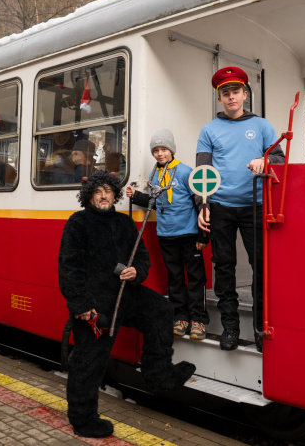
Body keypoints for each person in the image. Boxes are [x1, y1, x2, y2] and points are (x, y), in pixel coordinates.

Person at [58, 171, 195, 438]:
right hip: (96, 305)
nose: (104, 195)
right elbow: (69, 268)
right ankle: (83, 419)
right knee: (89, 363)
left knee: (161, 310)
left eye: (108, 191)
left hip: (125, 294)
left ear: (115, 194)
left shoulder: (124, 223)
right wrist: (82, 306)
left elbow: (142, 256)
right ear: (89, 196)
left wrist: (136, 272)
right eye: (98, 192)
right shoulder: (78, 223)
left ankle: (160, 375)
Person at [196, 66, 284, 352]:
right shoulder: (209, 130)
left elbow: (281, 161)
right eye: (225, 93)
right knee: (223, 268)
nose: (231, 97)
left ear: (245, 94)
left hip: (256, 207)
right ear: (219, 98)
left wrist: (265, 161)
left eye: (235, 91)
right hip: (220, 206)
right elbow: (202, 172)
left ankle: (260, 329)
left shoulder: (262, 126)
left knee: (262, 268)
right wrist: (203, 204)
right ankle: (230, 328)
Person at [126, 129, 209, 340]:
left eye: (163, 149)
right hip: (166, 234)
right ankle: (180, 317)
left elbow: (200, 203)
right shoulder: (154, 174)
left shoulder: (185, 171)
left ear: (171, 150)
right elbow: (156, 203)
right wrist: (136, 196)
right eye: (156, 150)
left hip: (189, 234)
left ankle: (198, 320)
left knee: (195, 277)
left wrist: (203, 236)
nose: (160, 153)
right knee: (175, 277)